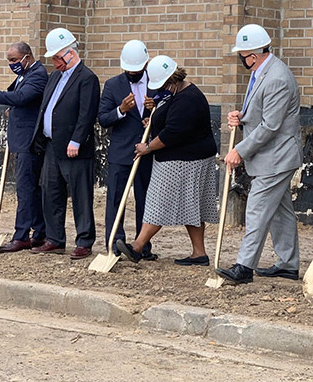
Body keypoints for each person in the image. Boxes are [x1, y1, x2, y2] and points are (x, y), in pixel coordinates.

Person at [216, 24, 302, 284]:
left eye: (242, 54)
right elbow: (262, 114)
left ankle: (244, 266)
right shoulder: (262, 72)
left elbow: (271, 126)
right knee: (280, 211)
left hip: (276, 158)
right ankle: (288, 264)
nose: (241, 59)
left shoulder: (276, 78)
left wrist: (239, 151)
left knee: (256, 209)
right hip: (273, 156)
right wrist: (242, 118)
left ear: (253, 54)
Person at [116, 55, 218, 265]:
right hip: (183, 158)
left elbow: (173, 132)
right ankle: (199, 253)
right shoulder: (174, 94)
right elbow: (166, 118)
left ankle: (137, 247)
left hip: (185, 160)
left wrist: (148, 147)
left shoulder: (188, 99)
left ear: (172, 81)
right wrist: (152, 121)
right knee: (193, 206)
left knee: (158, 203)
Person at [30, 28, 100, 259]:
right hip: (51, 144)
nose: (55, 62)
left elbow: (87, 113)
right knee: (50, 193)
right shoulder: (54, 77)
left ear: (70, 53)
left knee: (81, 195)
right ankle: (55, 239)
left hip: (73, 147)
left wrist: (77, 140)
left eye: (58, 58)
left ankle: (84, 240)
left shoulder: (87, 78)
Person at [0, 42, 48, 252]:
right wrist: (12, 108)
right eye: (9, 61)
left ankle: (22, 235)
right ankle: (39, 232)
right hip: (21, 139)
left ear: (27, 56)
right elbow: (17, 97)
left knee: (26, 189)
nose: (12, 64)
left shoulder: (38, 74)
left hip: (30, 141)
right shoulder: (25, 74)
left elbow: (22, 97)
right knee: (30, 189)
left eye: (14, 60)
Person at [98, 40, 156, 261]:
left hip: (148, 151)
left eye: (137, 70)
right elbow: (103, 118)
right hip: (121, 152)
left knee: (146, 200)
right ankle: (114, 244)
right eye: (129, 70)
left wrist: (154, 116)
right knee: (115, 200)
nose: (133, 73)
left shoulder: (156, 82)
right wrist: (121, 110)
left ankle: (142, 246)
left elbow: (169, 115)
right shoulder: (113, 85)